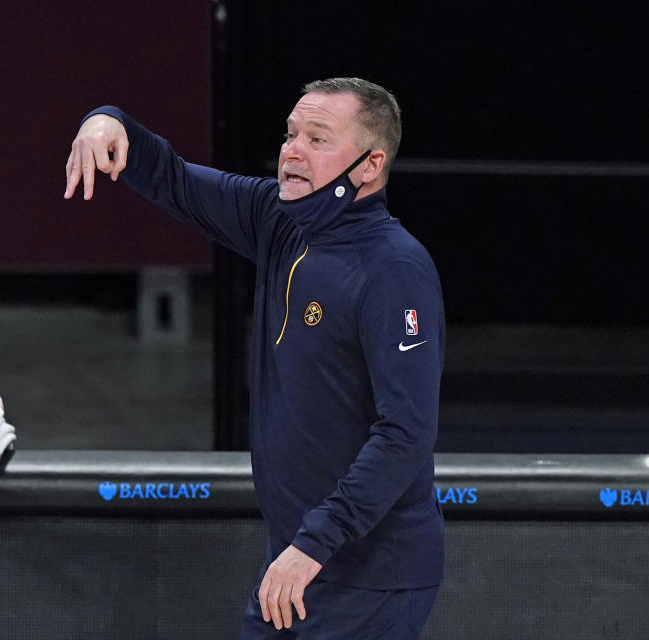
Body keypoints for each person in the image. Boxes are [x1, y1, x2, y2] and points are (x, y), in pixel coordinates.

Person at [64, 77, 445, 639]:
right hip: (296, 562)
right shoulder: (278, 221)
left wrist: (312, 545)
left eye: (318, 139)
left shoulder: (394, 271)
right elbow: (174, 180)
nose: (292, 150)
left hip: (369, 574)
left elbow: (407, 433)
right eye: (291, 134)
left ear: (369, 165)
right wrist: (109, 120)